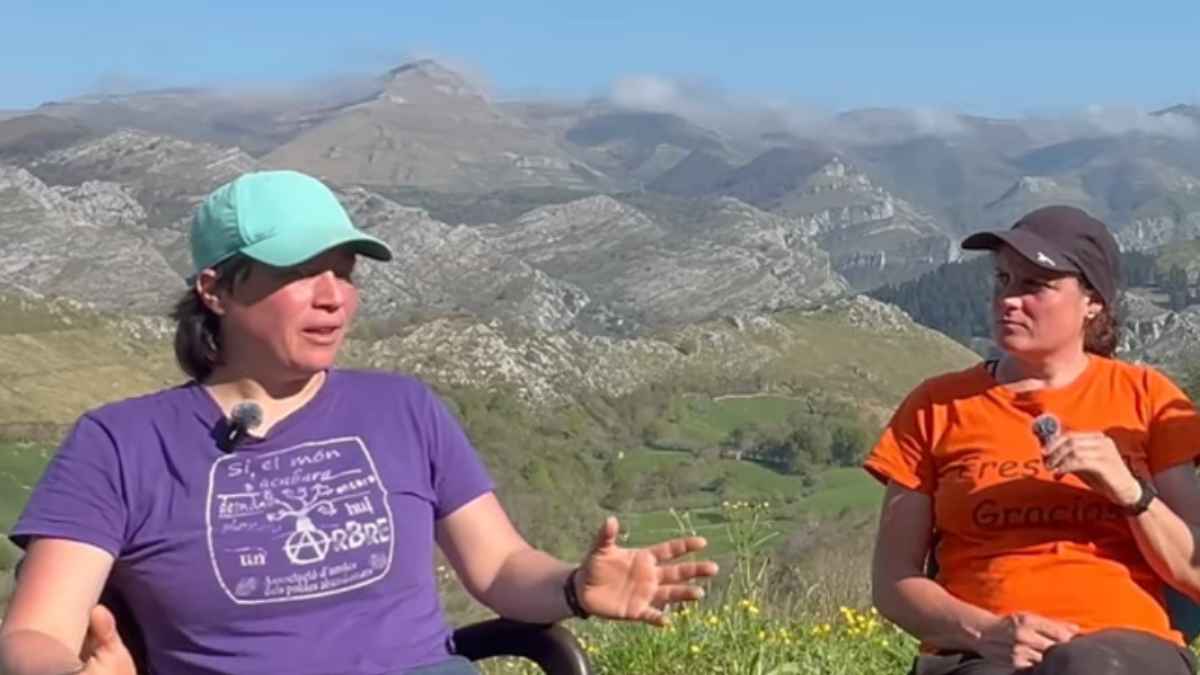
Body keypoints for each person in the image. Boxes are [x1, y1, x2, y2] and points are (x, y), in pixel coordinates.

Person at [0, 170, 719, 675]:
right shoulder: (120, 444)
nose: (333, 297)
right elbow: (34, 632)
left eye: (343, 271)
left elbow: (500, 567)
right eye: (299, 272)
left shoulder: (403, 408)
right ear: (216, 290)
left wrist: (572, 587)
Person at [865, 205, 1200, 675]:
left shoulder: (1148, 399)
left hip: (1125, 648)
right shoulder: (936, 406)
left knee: (1087, 666)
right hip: (981, 654)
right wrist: (987, 632)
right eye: (1003, 280)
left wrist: (1130, 491)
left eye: (1034, 285)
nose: (1009, 300)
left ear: (1092, 302)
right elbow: (893, 582)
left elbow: (1194, 572)